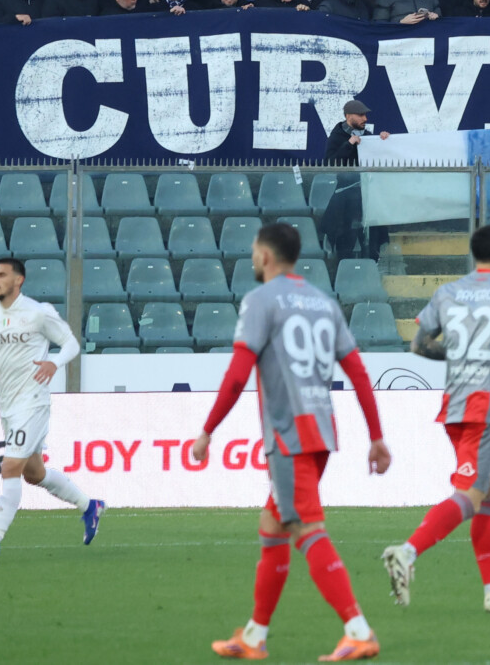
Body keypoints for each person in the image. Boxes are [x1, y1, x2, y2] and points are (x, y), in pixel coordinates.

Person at [198, 221, 391, 661]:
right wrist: (375, 436)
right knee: (273, 527)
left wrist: (208, 430)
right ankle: (253, 636)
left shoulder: (260, 300)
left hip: (288, 434)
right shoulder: (323, 302)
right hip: (321, 430)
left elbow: (236, 375)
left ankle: (358, 630)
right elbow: (358, 372)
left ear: (265, 256)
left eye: (253, 252)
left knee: (306, 528)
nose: (252, 259)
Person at [381, 224, 490, 613]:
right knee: (472, 493)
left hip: (455, 401)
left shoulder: (448, 292)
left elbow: (419, 344)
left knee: (489, 488)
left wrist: (460, 356)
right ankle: (407, 552)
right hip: (487, 406)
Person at [0, 257, 104, 560]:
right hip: (7, 404)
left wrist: (54, 362)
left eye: (2, 275)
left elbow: (71, 344)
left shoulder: (39, 313)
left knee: (10, 466)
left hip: (33, 403)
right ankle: (89, 506)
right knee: (33, 472)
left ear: (19, 280)